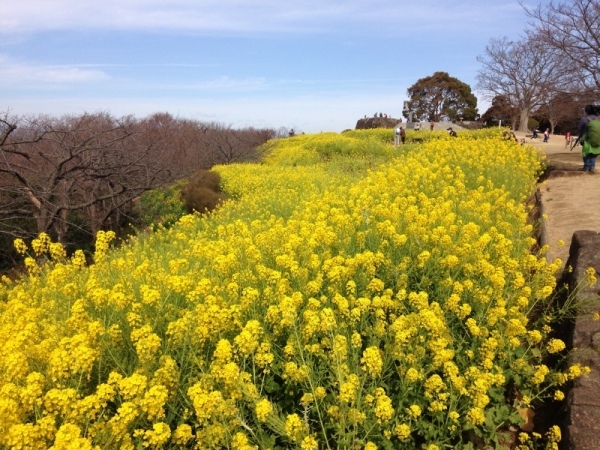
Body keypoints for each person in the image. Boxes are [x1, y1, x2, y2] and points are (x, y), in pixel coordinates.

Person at [574, 104, 600, 172]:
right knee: (593, 152)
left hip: (586, 138)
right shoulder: (598, 118)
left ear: (586, 111)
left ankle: (586, 167)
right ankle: (592, 167)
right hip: (596, 138)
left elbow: (579, 129)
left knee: (586, 152)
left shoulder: (584, 119)